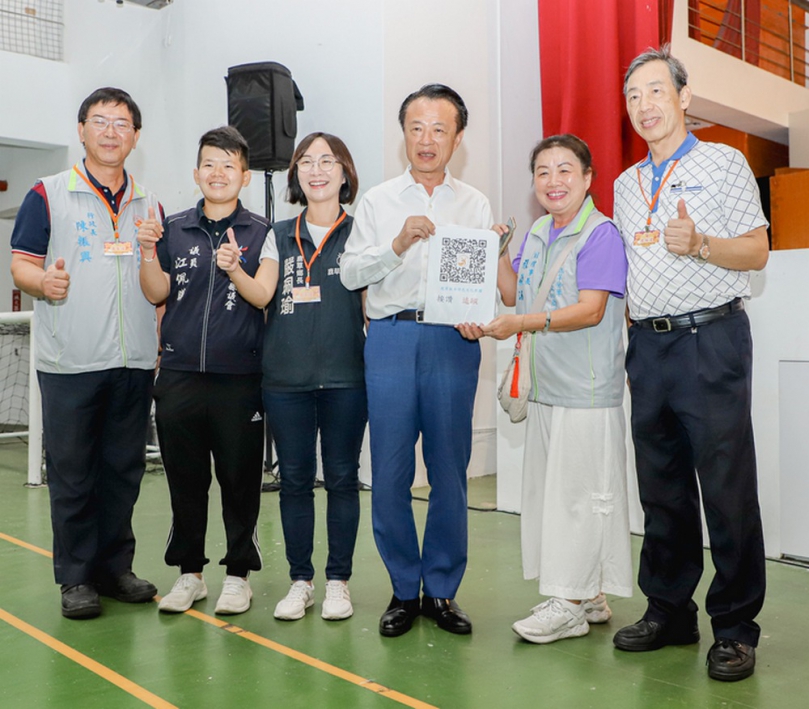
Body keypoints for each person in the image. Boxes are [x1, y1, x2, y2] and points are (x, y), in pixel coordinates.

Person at [611, 46, 768, 682]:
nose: (644, 105)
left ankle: (734, 628)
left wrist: (700, 244)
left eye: (655, 90)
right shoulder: (625, 185)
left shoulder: (724, 162)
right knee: (662, 487)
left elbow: (757, 251)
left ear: (684, 97)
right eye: (633, 96)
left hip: (711, 339)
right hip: (649, 348)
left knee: (726, 488)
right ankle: (669, 611)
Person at [460, 134, 633, 644]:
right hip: (544, 386)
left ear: (587, 178)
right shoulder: (537, 231)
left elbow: (591, 310)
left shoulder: (600, 234)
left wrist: (518, 324)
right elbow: (514, 293)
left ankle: (569, 606)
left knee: (578, 498)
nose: (553, 181)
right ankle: (588, 594)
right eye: (542, 172)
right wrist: (499, 254)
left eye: (564, 170)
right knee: (554, 498)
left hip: (586, 390)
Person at [340, 84, 499, 637]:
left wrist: (478, 313)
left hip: (453, 341)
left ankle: (442, 590)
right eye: (416, 128)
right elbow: (350, 274)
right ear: (403, 133)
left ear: (458, 137)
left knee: (450, 469)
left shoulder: (475, 204)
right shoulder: (378, 201)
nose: (426, 139)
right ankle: (404, 589)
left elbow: (481, 283)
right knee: (389, 470)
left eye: (439, 129)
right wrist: (398, 244)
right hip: (391, 337)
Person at [10, 87, 160, 619]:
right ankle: (75, 578)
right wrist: (42, 283)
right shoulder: (47, 193)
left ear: (135, 136)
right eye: (100, 121)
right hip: (69, 361)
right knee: (72, 474)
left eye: (122, 124)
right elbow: (21, 264)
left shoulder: (149, 202)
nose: (111, 132)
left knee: (123, 471)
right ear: (81, 130)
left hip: (133, 361)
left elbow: (157, 281)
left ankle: (115, 569)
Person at [216, 132, 366, 622]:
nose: (317, 170)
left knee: (342, 479)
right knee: (296, 481)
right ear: (296, 174)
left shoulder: (361, 232)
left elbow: (372, 306)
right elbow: (262, 294)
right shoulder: (279, 233)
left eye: (327, 161)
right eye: (307, 161)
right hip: (285, 382)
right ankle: (301, 582)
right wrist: (234, 270)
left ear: (344, 173)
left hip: (347, 380)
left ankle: (338, 582)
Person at [137, 126, 267, 616]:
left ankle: (238, 576)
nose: (218, 173)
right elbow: (156, 292)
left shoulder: (261, 232)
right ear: (196, 173)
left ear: (245, 176)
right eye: (209, 164)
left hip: (240, 379)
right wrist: (146, 252)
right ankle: (189, 574)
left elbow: (264, 296)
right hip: (179, 375)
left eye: (229, 165)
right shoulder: (172, 228)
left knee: (239, 481)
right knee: (185, 482)